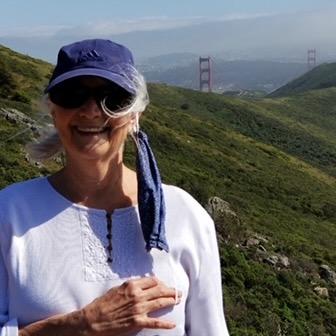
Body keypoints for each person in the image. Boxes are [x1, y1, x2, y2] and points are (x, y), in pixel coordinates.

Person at [0, 38, 230, 336]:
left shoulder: (185, 215)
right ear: (53, 110)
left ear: (135, 114)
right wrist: (79, 326)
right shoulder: (8, 214)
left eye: (113, 96)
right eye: (72, 94)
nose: (92, 111)